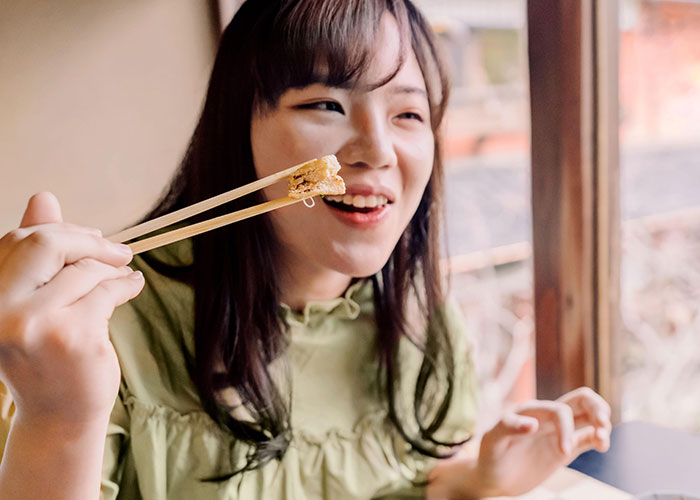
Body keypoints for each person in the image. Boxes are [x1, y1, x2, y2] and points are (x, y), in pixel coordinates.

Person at [0, 1, 611, 499]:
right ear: (239, 127)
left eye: (408, 113)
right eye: (326, 104)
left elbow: (408, 483)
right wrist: (57, 417)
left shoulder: (423, 327)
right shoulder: (104, 330)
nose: (376, 150)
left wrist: (474, 480)